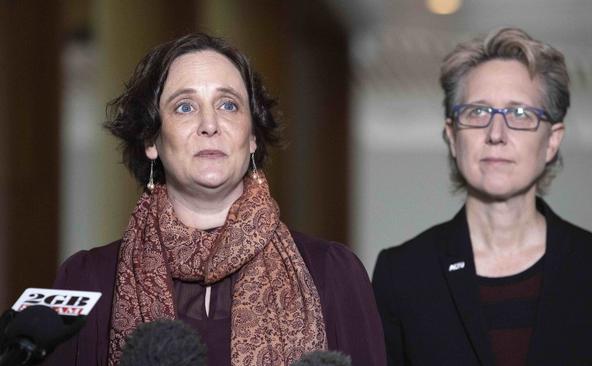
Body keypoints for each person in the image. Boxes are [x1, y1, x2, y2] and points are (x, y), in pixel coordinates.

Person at [44, 33, 385, 366]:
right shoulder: (89, 281)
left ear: (252, 137)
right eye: (185, 106)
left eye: (228, 104)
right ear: (151, 140)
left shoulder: (331, 273)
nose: (209, 124)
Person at [372, 27, 592, 365]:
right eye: (477, 112)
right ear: (452, 135)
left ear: (552, 141)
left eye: (520, 114)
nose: (496, 134)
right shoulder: (403, 274)